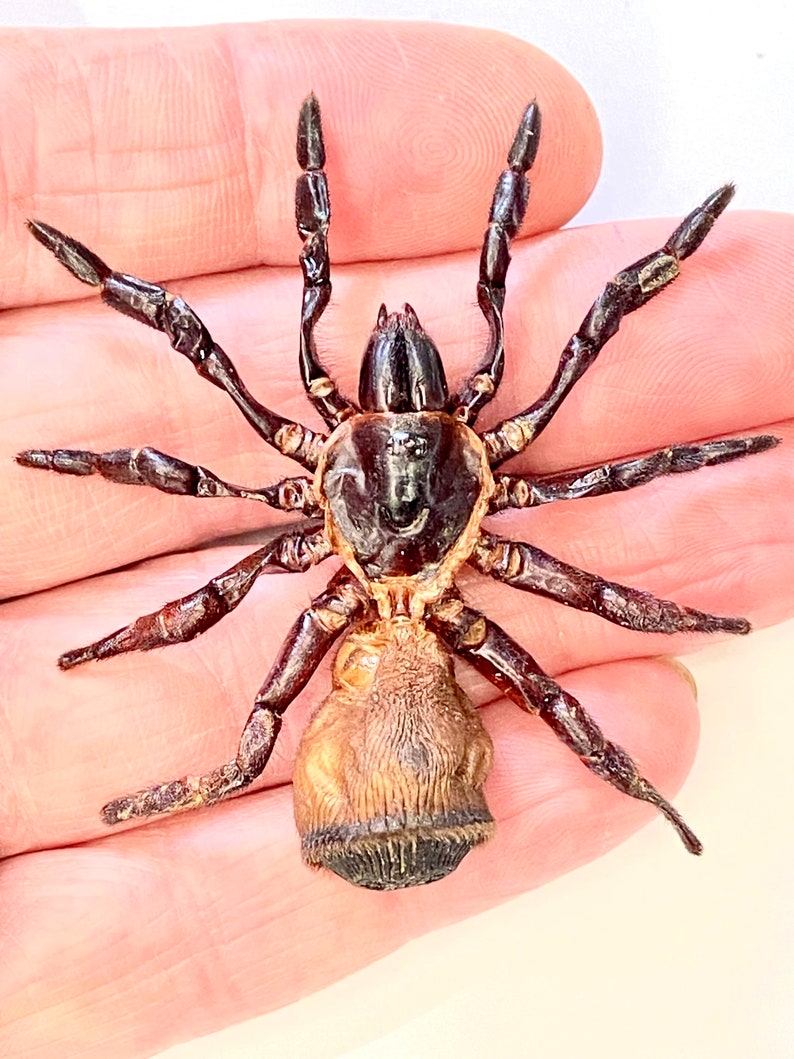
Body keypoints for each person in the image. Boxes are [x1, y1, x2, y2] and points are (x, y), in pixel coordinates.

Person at [1, 19, 791, 1057]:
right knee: (549, 688)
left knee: (270, 704)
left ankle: (219, 772)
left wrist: (123, 619)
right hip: (411, 690)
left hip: (378, 684)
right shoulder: (494, 507)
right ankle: (643, 788)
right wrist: (696, 596)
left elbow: (185, 435)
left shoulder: (314, 525)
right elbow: (603, 408)